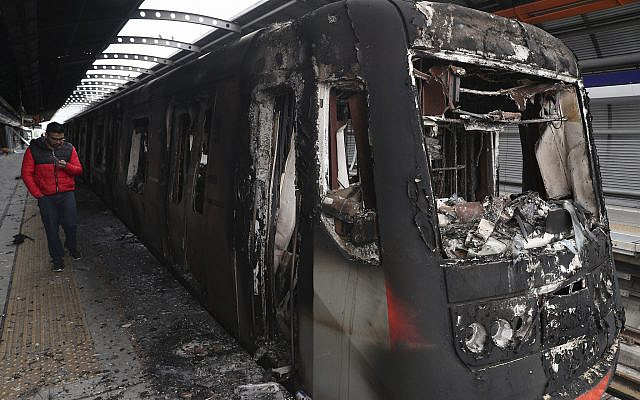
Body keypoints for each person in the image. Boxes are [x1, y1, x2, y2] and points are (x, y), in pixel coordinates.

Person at [21, 122, 83, 271]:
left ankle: (71, 245)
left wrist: (66, 166)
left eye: (61, 138)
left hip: (67, 194)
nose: (59, 142)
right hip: (46, 197)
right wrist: (38, 195)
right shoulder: (34, 150)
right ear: (46, 136)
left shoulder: (69, 148)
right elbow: (26, 174)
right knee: (51, 228)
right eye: (55, 139)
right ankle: (57, 258)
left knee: (71, 224)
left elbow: (79, 170)